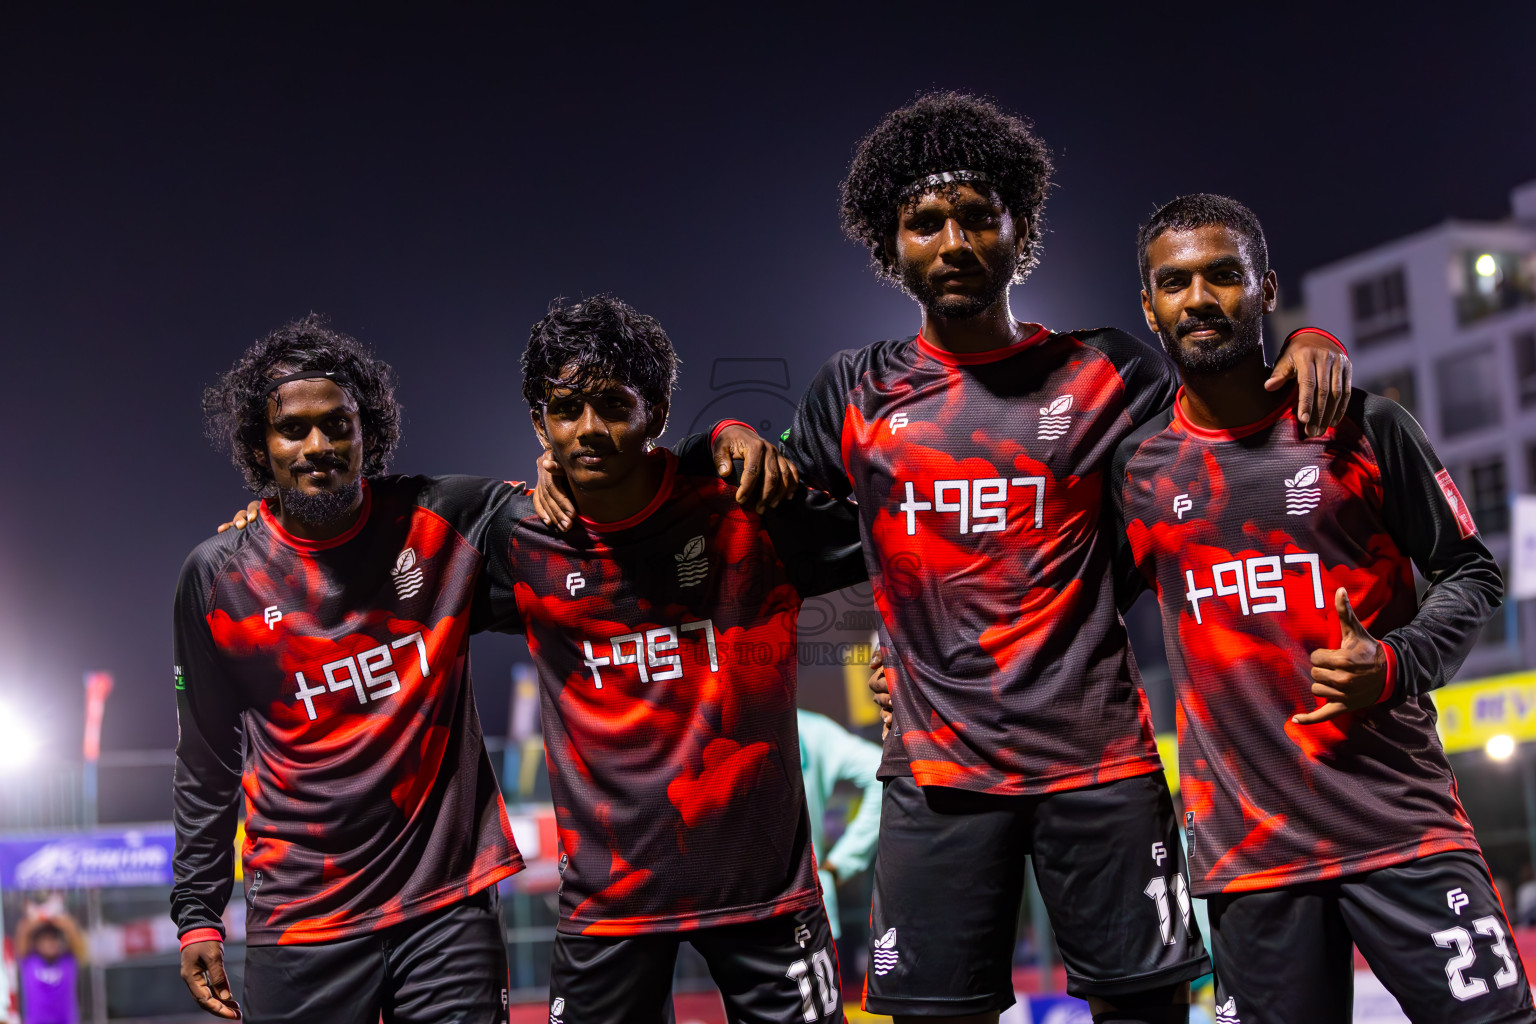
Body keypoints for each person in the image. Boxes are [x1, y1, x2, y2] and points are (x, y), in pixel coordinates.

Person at [699, 92, 1353, 1024]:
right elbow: (756, 501)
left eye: (976, 215)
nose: (953, 240)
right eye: (924, 223)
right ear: (893, 247)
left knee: (1150, 1012)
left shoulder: (1110, 371)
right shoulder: (856, 389)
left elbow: (1223, 421)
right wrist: (726, 428)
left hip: (1101, 767)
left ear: (1019, 227)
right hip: (935, 778)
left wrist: (1313, 340)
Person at [1109, 193, 1531, 1023]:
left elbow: (1471, 572)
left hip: (1402, 829)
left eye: (1224, 276)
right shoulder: (1135, 471)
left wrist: (1399, 662)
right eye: (1176, 282)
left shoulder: (1368, 427)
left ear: (1266, 290)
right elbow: (1063, 606)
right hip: (1251, 857)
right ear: (1150, 308)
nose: (1199, 299)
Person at [478, 295, 864, 1024]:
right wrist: (263, 519)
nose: (589, 430)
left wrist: (727, 431)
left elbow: (902, 520)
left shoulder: (745, 502)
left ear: (656, 412)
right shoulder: (521, 541)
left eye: (612, 406)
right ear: (539, 423)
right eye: (567, 411)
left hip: (764, 894)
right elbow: (382, 576)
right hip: (609, 905)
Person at [173, 315, 528, 1022]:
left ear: (370, 432)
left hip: (445, 907)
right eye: (292, 430)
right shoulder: (217, 579)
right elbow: (207, 762)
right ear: (258, 447)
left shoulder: (444, 520)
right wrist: (197, 913)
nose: (317, 446)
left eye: (338, 425)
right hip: (303, 921)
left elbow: (599, 507)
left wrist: (715, 439)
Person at [796, 705, 882, 946]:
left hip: (801, 901)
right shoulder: (810, 726)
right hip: (806, 903)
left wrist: (843, 861)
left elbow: (878, 771)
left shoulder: (810, 727)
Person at [15, 899, 85, 1024]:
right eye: (45, 941)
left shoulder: (68, 961)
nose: (50, 944)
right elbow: (23, 929)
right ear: (36, 944)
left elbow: (72, 929)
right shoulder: (29, 961)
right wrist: (41, 915)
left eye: (53, 940)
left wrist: (53, 913)